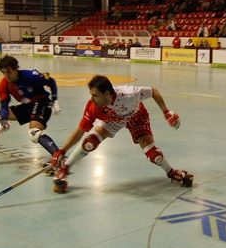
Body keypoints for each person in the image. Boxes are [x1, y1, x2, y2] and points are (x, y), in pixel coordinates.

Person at [50, 75, 192, 193]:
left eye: (95, 95)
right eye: (91, 95)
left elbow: (153, 91)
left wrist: (166, 112)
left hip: (136, 117)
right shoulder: (93, 106)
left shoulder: (130, 94)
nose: (92, 99)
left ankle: (172, 173)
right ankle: (65, 168)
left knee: (155, 156)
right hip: (113, 120)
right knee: (89, 143)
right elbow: (80, 131)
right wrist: (62, 151)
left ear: (107, 94)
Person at [0, 55, 62, 166]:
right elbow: (4, 105)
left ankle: (58, 156)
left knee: (33, 132)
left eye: (9, 72)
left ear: (16, 68)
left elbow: (51, 81)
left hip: (42, 104)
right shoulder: (4, 85)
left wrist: (55, 100)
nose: (7, 76)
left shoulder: (30, 76)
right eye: (4, 72)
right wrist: (4, 119)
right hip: (28, 106)